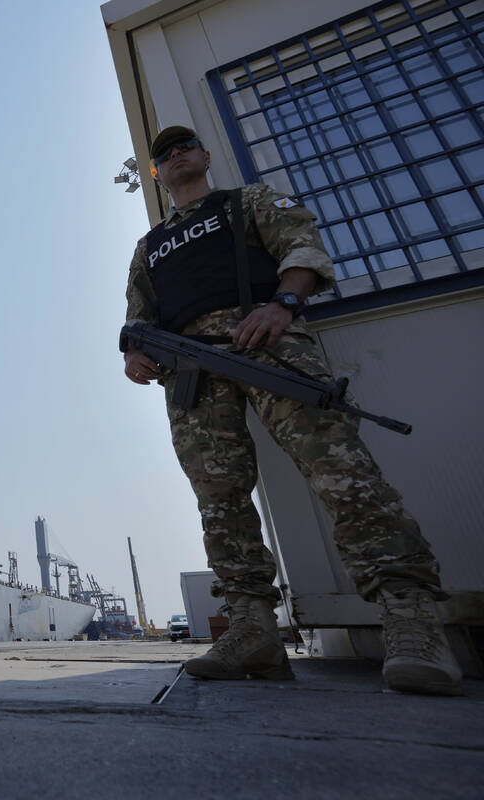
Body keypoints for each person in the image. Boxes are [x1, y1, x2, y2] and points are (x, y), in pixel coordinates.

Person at [123, 125, 462, 696]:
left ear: (205, 156)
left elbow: (302, 248)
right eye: (164, 154)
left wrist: (283, 305)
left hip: (266, 341)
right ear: (156, 173)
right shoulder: (150, 244)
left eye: (185, 146)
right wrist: (135, 353)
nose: (176, 154)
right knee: (219, 497)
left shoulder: (248, 201)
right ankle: (252, 628)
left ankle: (412, 617)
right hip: (191, 370)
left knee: (339, 471)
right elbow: (139, 314)